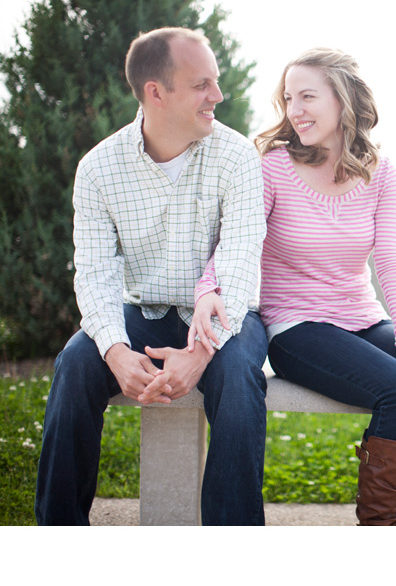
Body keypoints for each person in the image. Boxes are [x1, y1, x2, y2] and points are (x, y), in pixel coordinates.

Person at [190, 48, 396, 526]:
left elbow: (391, 264)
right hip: (297, 329)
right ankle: (381, 530)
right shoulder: (272, 166)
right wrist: (207, 288)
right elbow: (238, 239)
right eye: (289, 98)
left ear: (343, 100)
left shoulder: (381, 172)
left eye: (307, 96)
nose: (294, 110)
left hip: (360, 318)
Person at [34, 27, 269, 526]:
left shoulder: (237, 156)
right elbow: (95, 275)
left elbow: (242, 258)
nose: (218, 96)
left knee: (239, 378)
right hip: (142, 314)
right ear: (155, 93)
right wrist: (116, 352)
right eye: (202, 84)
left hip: (224, 315)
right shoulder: (98, 169)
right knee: (75, 363)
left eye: (217, 81)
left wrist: (201, 352)